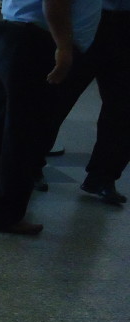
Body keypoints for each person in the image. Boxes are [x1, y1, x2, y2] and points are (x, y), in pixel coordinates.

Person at [0, 0, 102, 234]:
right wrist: (64, 46)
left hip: (12, 33)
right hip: (38, 42)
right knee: (25, 135)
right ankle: (5, 214)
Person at [41, 0, 130, 205]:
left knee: (123, 106)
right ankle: (31, 166)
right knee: (57, 97)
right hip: (89, 16)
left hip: (125, 21)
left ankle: (103, 178)